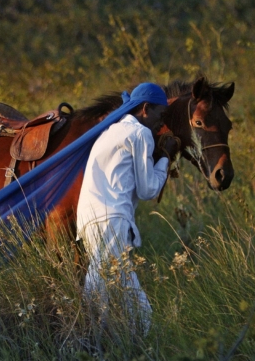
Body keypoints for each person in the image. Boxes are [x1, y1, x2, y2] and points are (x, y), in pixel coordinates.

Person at [76, 82, 178, 335]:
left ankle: (120, 344)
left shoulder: (110, 131)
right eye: (159, 115)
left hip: (90, 220)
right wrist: (165, 157)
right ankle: (82, 338)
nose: (160, 124)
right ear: (145, 109)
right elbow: (148, 190)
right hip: (112, 218)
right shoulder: (139, 134)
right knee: (107, 290)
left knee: (123, 295)